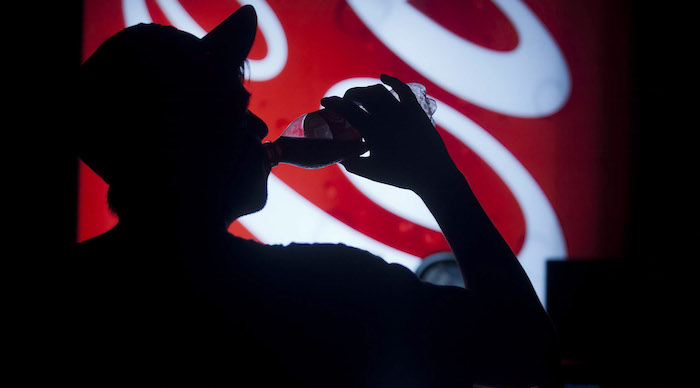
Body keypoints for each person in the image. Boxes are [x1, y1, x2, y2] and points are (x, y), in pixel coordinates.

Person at [68, 5, 557, 387]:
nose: (259, 126)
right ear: (176, 139)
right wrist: (435, 176)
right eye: (231, 112)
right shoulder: (325, 290)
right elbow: (523, 351)